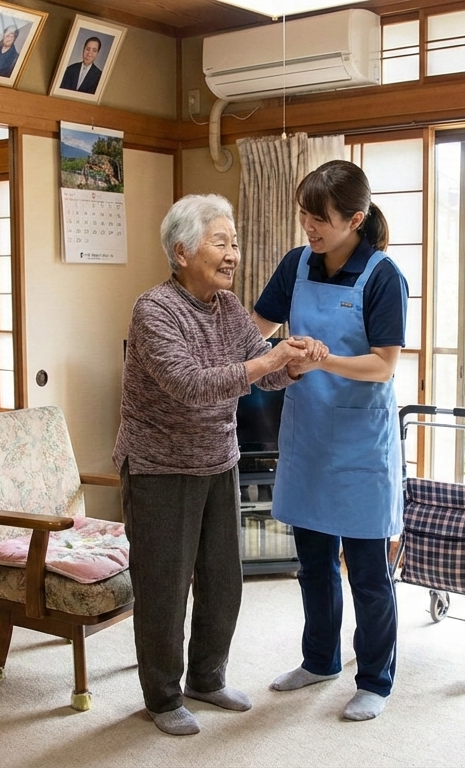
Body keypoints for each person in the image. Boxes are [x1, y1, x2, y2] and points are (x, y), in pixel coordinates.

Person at [112, 194, 323, 737]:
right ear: (181, 251)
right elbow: (190, 386)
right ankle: (162, 697)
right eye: (220, 242)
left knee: (223, 581)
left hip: (217, 459)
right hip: (159, 467)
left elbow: (260, 373)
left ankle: (206, 677)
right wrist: (267, 359)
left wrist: (293, 363)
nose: (233, 254)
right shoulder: (154, 309)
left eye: (234, 242)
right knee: (163, 587)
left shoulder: (228, 308)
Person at [251, 160, 409, 723]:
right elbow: (257, 324)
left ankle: (375, 679)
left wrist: (321, 358)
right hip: (309, 434)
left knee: (367, 571)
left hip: (361, 445)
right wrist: (261, 355)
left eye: (320, 219)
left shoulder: (383, 275)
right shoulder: (296, 264)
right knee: (313, 564)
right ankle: (319, 660)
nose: (309, 229)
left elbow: (383, 366)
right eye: (304, 216)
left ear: (356, 219)